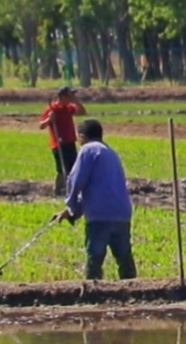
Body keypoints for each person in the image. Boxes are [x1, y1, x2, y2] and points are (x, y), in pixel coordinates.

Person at [57, 119, 136, 280]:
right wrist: (74, 210)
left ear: (82, 136)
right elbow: (99, 187)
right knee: (124, 257)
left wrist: (71, 207)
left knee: (95, 257)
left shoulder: (87, 150)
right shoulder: (110, 152)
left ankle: (94, 295)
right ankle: (133, 290)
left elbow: (76, 181)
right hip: (122, 212)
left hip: (100, 215)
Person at [38, 86, 86, 195]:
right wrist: (49, 119)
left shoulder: (69, 108)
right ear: (62, 96)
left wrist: (76, 101)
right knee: (62, 168)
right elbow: (41, 126)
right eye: (69, 96)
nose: (71, 98)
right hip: (58, 143)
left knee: (73, 166)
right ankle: (58, 189)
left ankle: (71, 188)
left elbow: (82, 112)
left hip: (70, 141)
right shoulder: (52, 109)